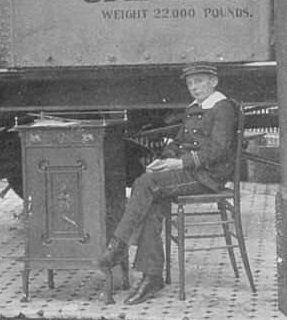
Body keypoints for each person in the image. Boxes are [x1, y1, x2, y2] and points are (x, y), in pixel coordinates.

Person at [97, 64, 237, 305]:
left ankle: (118, 244)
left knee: (146, 183)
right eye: (190, 84)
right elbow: (179, 140)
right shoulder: (194, 108)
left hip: (207, 176)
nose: (194, 88)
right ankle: (151, 277)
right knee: (151, 198)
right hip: (191, 171)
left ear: (213, 82)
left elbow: (219, 149)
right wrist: (164, 159)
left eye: (199, 82)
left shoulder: (222, 108)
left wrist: (179, 164)